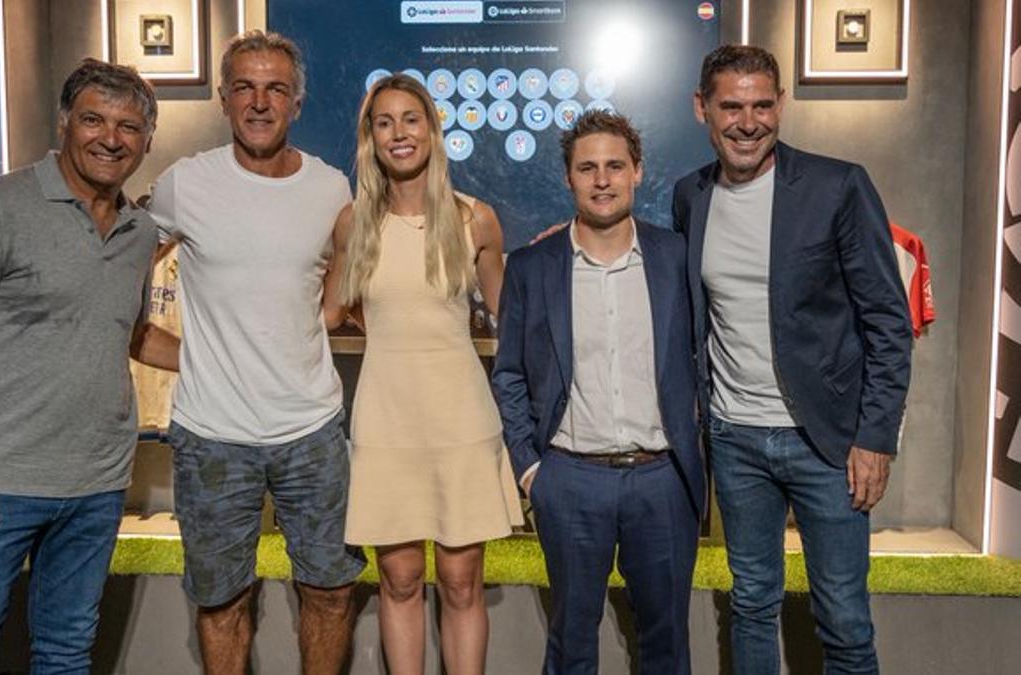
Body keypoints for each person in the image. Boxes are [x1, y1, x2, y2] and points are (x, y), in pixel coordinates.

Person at [0, 58, 161, 674]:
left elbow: (124, 334)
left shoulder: (140, 229)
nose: (110, 137)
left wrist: (237, 355)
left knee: (66, 655)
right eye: (94, 119)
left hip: (97, 487)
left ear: (146, 141)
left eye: (128, 127)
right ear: (65, 123)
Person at [131, 30, 366, 675]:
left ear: (297, 102)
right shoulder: (186, 183)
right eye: (245, 87)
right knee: (220, 600)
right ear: (223, 98)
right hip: (212, 438)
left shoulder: (330, 188)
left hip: (312, 431)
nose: (259, 102)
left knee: (330, 589)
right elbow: (119, 278)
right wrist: (193, 357)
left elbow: (337, 295)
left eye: (275, 89)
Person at [672, 45, 912, 674]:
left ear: (780, 106)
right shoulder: (689, 196)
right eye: (731, 106)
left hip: (828, 443)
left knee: (844, 616)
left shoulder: (838, 185)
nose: (747, 122)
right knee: (750, 602)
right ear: (702, 109)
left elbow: (887, 321)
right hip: (734, 437)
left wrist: (875, 437)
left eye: (761, 105)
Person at [492, 110, 706, 675]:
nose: (602, 179)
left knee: (666, 643)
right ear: (568, 178)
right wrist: (531, 469)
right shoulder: (533, 268)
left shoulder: (677, 259)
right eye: (587, 168)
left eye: (615, 166)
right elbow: (509, 372)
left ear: (638, 171)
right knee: (570, 642)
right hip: (569, 481)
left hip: (662, 480)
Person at [323, 73, 523, 675]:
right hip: (386, 419)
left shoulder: (476, 220)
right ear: (370, 138)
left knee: (462, 582)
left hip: (461, 416)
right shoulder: (351, 223)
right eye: (384, 122)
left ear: (432, 130)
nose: (398, 133)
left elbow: (512, 324)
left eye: (410, 119)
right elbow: (327, 314)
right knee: (399, 577)